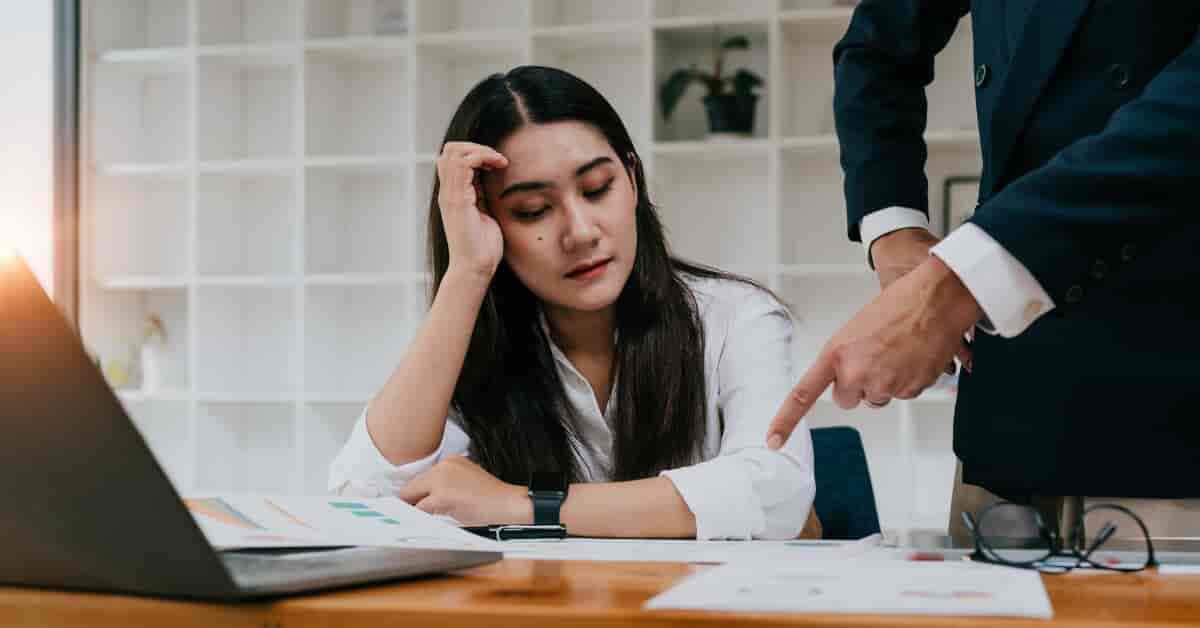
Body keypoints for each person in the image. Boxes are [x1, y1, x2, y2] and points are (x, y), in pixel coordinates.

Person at [767, 1, 1200, 545]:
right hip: (1008, 407)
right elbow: (875, 46)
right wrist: (893, 226)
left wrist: (956, 284)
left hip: (1171, 402)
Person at [329, 66, 819, 540]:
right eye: (532, 211)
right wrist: (466, 272)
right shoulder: (477, 350)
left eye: (597, 188)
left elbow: (775, 493)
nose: (581, 232)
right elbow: (365, 498)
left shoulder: (736, 318)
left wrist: (522, 504)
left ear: (631, 179)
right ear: (489, 221)